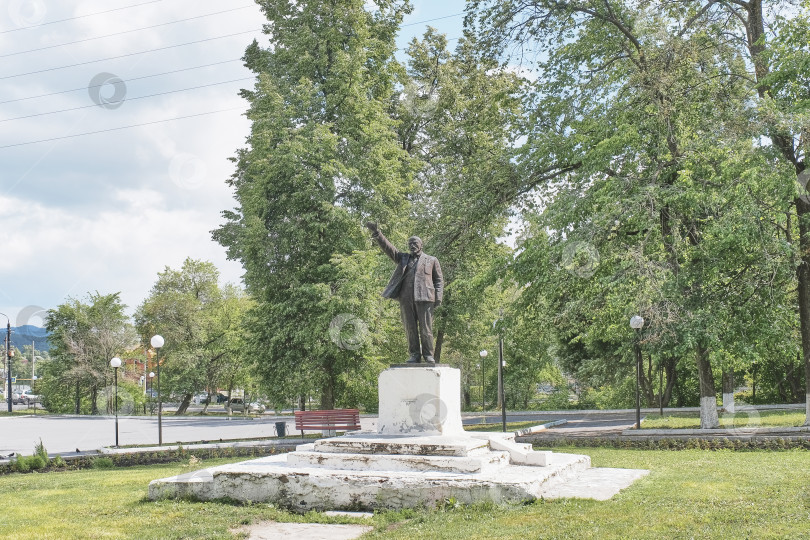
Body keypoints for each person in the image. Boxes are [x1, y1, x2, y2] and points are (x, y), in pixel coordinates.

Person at [366, 222, 443, 364]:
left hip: (425, 298)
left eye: (415, 243)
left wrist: (438, 298)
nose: (412, 246)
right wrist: (378, 234)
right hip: (406, 298)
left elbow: (438, 280)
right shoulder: (403, 258)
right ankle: (415, 355)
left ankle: (428, 355)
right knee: (410, 328)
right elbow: (390, 249)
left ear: (421, 245)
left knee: (426, 329)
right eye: (410, 244)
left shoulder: (431, 260)